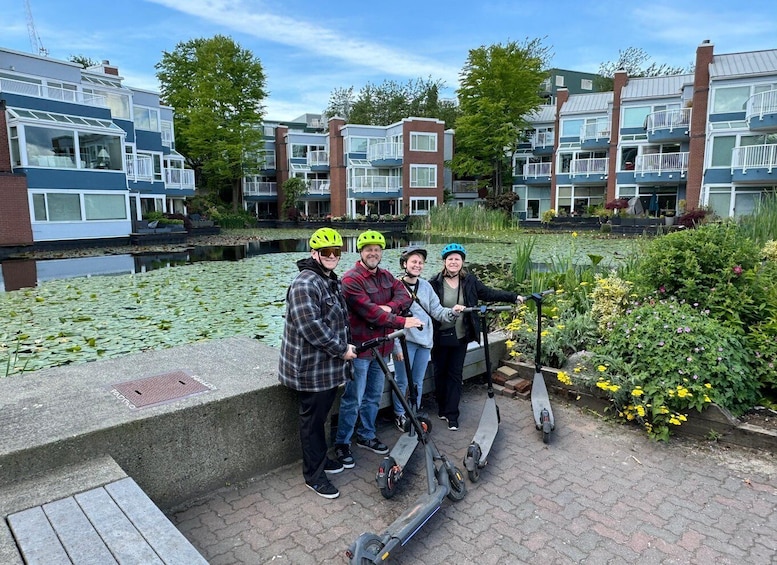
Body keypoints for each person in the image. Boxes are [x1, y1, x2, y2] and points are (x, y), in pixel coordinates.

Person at [278, 227, 357, 499]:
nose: (333, 256)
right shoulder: (305, 283)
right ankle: (313, 475)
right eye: (327, 252)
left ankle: (321, 460)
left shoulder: (327, 278)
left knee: (321, 418)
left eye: (337, 251)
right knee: (312, 423)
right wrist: (342, 350)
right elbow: (311, 327)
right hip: (310, 369)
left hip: (326, 366)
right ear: (314, 253)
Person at [333, 230, 423, 468]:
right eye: (368, 249)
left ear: (381, 252)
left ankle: (366, 435)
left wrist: (388, 308)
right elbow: (368, 311)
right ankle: (342, 443)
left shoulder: (386, 276)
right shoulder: (351, 279)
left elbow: (405, 296)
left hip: (382, 348)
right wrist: (400, 320)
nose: (373, 253)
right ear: (360, 252)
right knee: (353, 397)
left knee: (373, 395)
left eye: (377, 250)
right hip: (362, 349)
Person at [429, 243, 524, 431]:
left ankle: (452, 414)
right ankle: (442, 407)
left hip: (461, 335)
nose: (453, 262)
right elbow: (426, 306)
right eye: (450, 259)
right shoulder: (434, 283)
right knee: (440, 373)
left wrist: (513, 297)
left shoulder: (470, 281)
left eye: (457, 259)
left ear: (462, 262)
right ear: (444, 262)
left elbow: (489, 293)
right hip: (439, 336)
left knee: (455, 374)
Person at [391, 246, 464, 431]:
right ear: (404, 264)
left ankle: (413, 412)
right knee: (402, 381)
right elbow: (390, 319)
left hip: (424, 342)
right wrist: (396, 348)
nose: (417, 265)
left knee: (417, 380)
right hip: (405, 342)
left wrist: (452, 312)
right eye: (413, 262)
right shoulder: (395, 286)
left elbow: (437, 311)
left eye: (420, 262)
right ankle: (400, 414)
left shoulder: (426, 286)